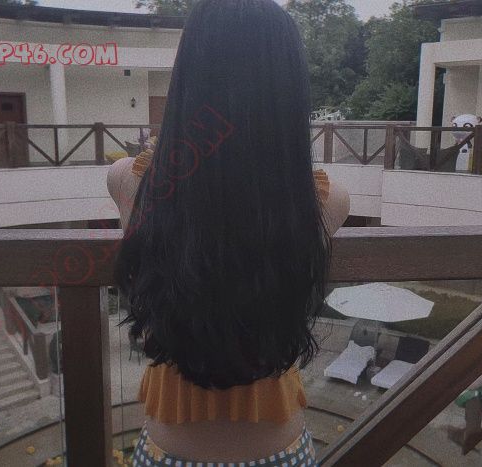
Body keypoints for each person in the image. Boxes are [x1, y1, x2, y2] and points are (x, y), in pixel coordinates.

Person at [107, 0, 349, 464]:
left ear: (188, 80)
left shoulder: (130, 182)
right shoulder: (325, 201)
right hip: (281, 455)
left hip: (166, 454)